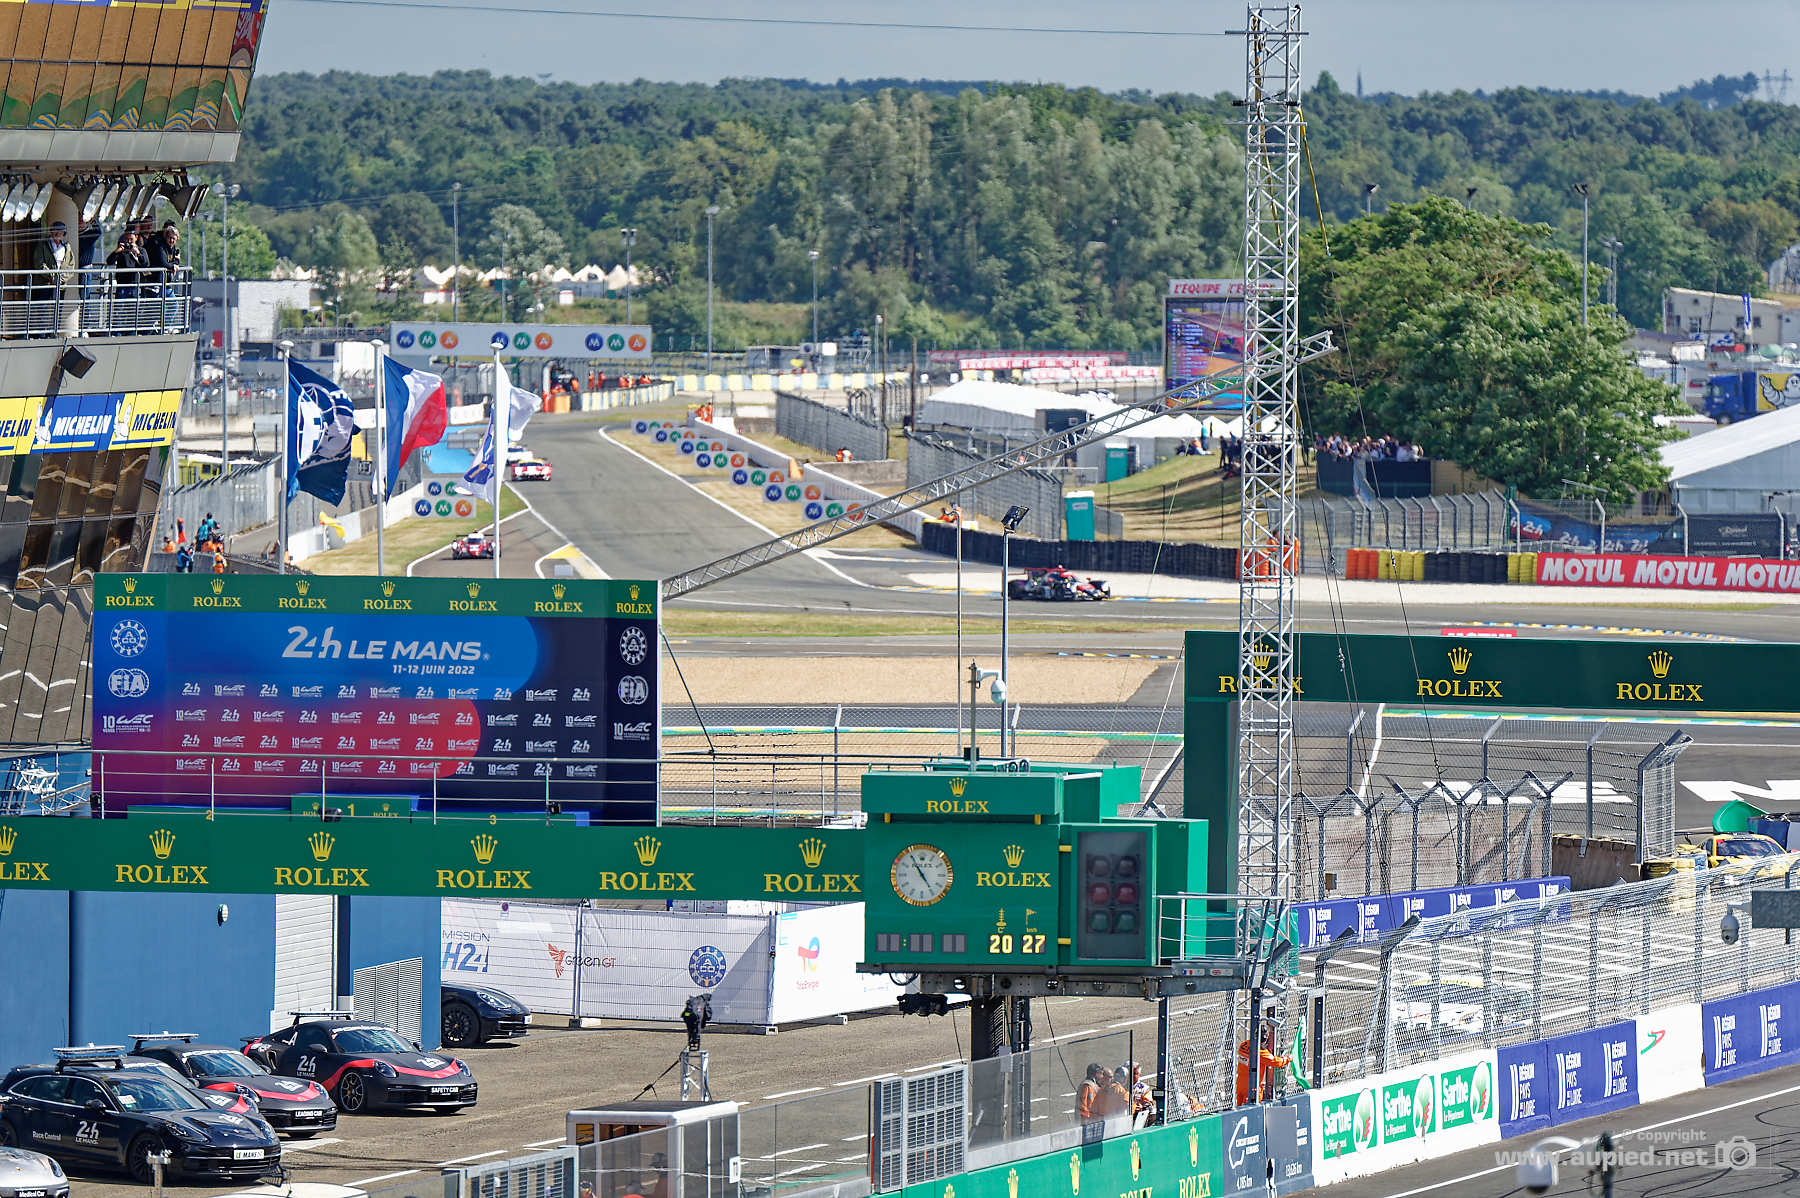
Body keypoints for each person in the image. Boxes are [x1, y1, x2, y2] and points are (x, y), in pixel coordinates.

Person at [1235, 1023, 1290, 1106]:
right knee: (1252, 1105)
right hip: (1252, 1085)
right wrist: (1287, 1058)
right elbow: (1276, 1062)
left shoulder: (1244, 1045)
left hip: (1240, 1082)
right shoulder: (1261, 1052)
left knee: (1239, 1105)